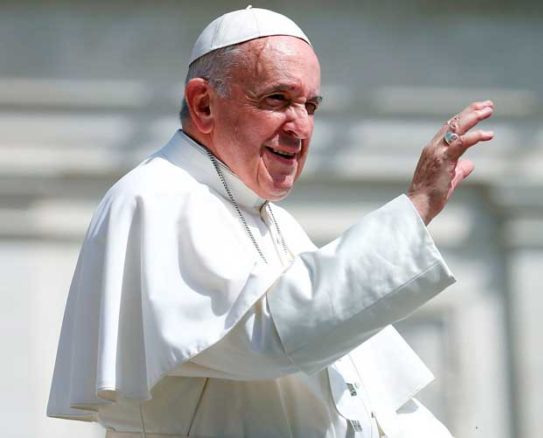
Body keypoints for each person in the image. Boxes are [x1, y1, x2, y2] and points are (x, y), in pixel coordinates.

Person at [47, 7, 494, 438]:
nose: (299, 127)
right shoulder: (154, 198)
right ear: (203, 104)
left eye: (311, 106)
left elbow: (372, 400)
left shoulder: (274, 222)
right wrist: (415, 207)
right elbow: (273, 334)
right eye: (277, 99)